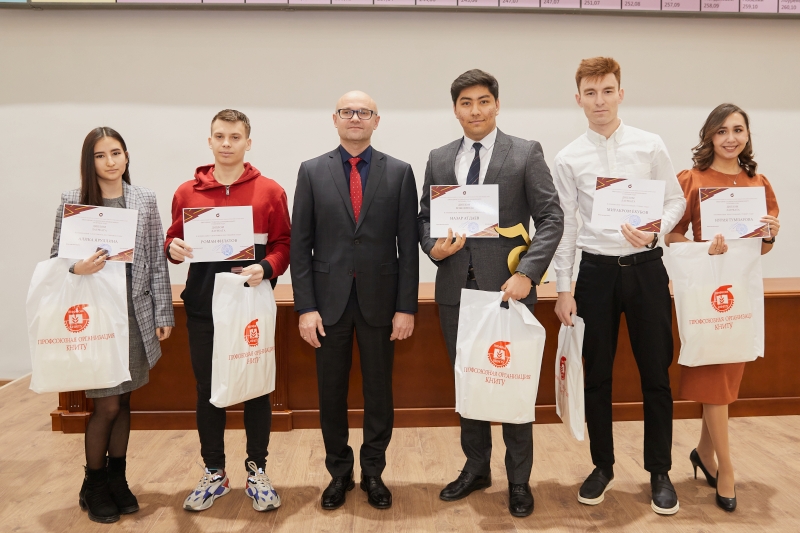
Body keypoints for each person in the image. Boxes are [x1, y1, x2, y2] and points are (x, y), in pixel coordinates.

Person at [418, 69, 564, 518]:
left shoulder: (525, 152)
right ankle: (476, 468)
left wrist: (529, 274)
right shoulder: (440, 157)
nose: (475, 110)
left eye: (483, 101)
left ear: (497, 105)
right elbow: (425, 218)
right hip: (455, 290)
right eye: (466, 103)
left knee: (512, 382)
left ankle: (519, 480)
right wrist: (434, 247)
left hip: (508, 290)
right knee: (469, 382)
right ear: (455, 109)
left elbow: (551, 217)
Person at [551, 57, 686, 515]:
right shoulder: (569, 157)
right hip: (596, 274)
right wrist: (564, 287)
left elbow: (675, 201)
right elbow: (567, 225)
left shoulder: (650, 145)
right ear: (578, 99)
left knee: (656, 374)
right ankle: (602, 466)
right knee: (598, 375)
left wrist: (654, 230)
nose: (600, 101)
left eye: (607, 91)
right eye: (590, 93)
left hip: (647, 269)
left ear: (620, 94)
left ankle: (660, 472)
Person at [291, 91, 419, 511]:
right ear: (335, 119)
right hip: (327, 304)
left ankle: (374, 472)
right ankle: (339, 473)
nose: (355, 118)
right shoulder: (312, 171)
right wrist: (306, 307)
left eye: (364, 112)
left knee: (379, 392)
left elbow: (408, 246)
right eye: (347, 111)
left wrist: (406, 307)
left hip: (381, 302)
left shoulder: (399, 172)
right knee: (331, 393)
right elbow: (300, 246)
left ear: (376, 121)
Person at [165, 109, 291, 513]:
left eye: (235, 137)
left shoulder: (270, 191)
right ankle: (214, 473)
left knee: (256, 389)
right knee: (208, 391)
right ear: (210, 141)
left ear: (247, 143)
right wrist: (173, 248)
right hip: (204, 308)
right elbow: (173, 242)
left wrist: (266, 267)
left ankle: (257, 472)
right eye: (219, 136)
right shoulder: (187, 193)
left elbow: (284, 244)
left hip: (250, 307)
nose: (226, 143)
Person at [49, 127, 174, 524]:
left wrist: (163, 313)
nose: (110, 161)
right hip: (96, 318)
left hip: (134, 314)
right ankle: (94, 483)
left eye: (116, 153)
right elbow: (55, 259)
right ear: (90, 161)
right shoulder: (73, 199)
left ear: (126, 156)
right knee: (106, 404)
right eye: (100, 155)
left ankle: (118, 480)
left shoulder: (144, 198)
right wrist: (77, 267)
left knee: (126, 401)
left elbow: (155, 258)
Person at [665, 104, 780, 513]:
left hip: (740, 295)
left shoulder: (757, 183)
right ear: (709, 136)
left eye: (738, 130)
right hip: (707, 295)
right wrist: (704, 250)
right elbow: (672, 235)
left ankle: (703, 452)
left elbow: (760, 249)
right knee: (715, 382)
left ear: (747, 135)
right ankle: (726, 469)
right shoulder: (692, 179)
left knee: (726, 382)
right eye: (722, 131)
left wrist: (770, 235)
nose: (731, 138)